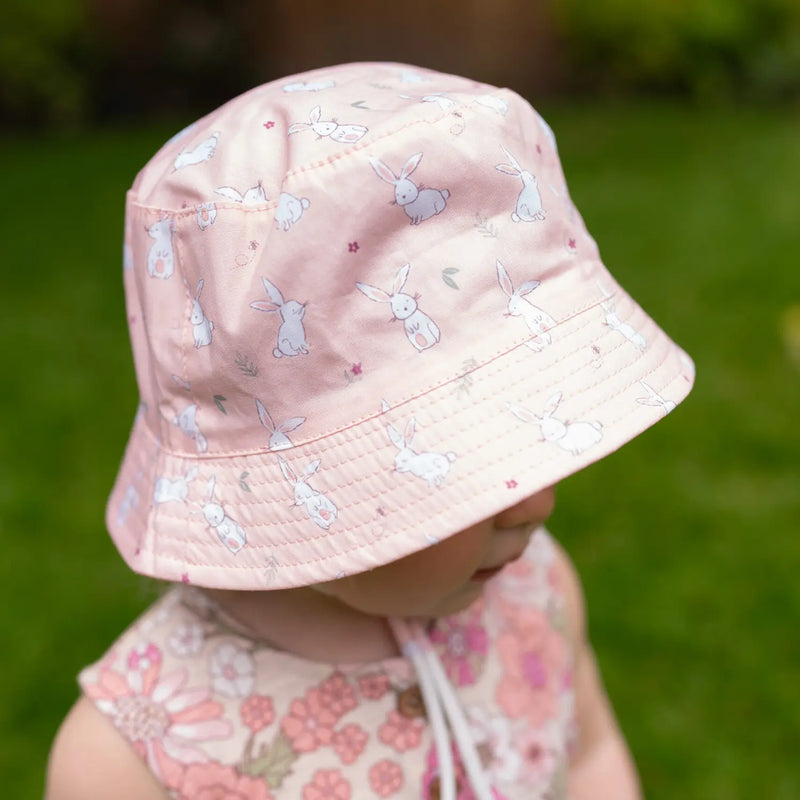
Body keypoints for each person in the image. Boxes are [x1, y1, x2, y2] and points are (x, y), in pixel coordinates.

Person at [45, 62, 694, 800]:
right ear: (288, 493)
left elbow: (586, 754)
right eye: (462, 448)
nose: (536, 502)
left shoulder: (534, 592)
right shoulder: (137, 754)